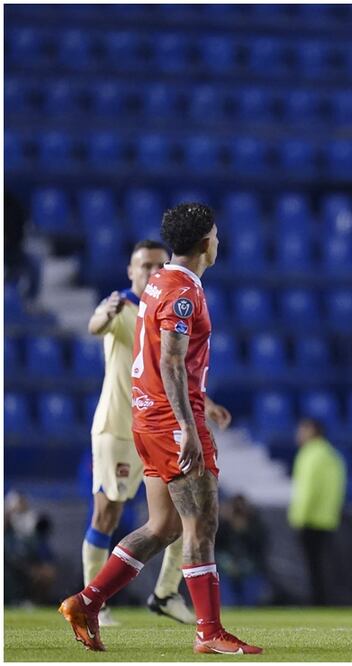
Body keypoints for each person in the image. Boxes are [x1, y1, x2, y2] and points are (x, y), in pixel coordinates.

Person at [59, 203, 262, 654]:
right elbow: (170, 361)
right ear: (206, 243)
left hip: (148, 419)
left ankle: (87, 601)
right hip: (172, 423)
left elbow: (155, 358)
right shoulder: (182, 291)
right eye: (216, 234)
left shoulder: (158, 283)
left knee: (163, 526)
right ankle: (209, 631)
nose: (219, 240)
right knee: (200, 524)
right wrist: (189, 425)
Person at [82, 240, 224, 627]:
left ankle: (163, 593)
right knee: (108, 515)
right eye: (143, 265)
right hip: (120, 426)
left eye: (158, 265)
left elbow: (172, 368)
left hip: (155, 424)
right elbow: (96, 326)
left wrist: (206, 404)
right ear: (130, 270)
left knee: (176, 519)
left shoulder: (160, 303)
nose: (151, 272)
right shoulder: (123, 305)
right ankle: (95, 601)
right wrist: (104, 314)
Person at [287, 418, 346, 606]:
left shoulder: (309, 455)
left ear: (311, 431)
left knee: (312, 565)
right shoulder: (332, 455)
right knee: (323, 564)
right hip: (328, 518)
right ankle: (326, 601)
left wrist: (299, 517)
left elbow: (307, 490)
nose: (298, 434)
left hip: (310, 519)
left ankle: (316, 602)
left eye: (301, 430)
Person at [217, 495, 271, 607]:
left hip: (250, 571)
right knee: (228, 601)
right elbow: (215, 550)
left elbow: (260, 553)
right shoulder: (220, 528)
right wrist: (227, 563)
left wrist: (244, 565)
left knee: (250, 602)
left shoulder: (256, 528)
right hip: (225, 571)